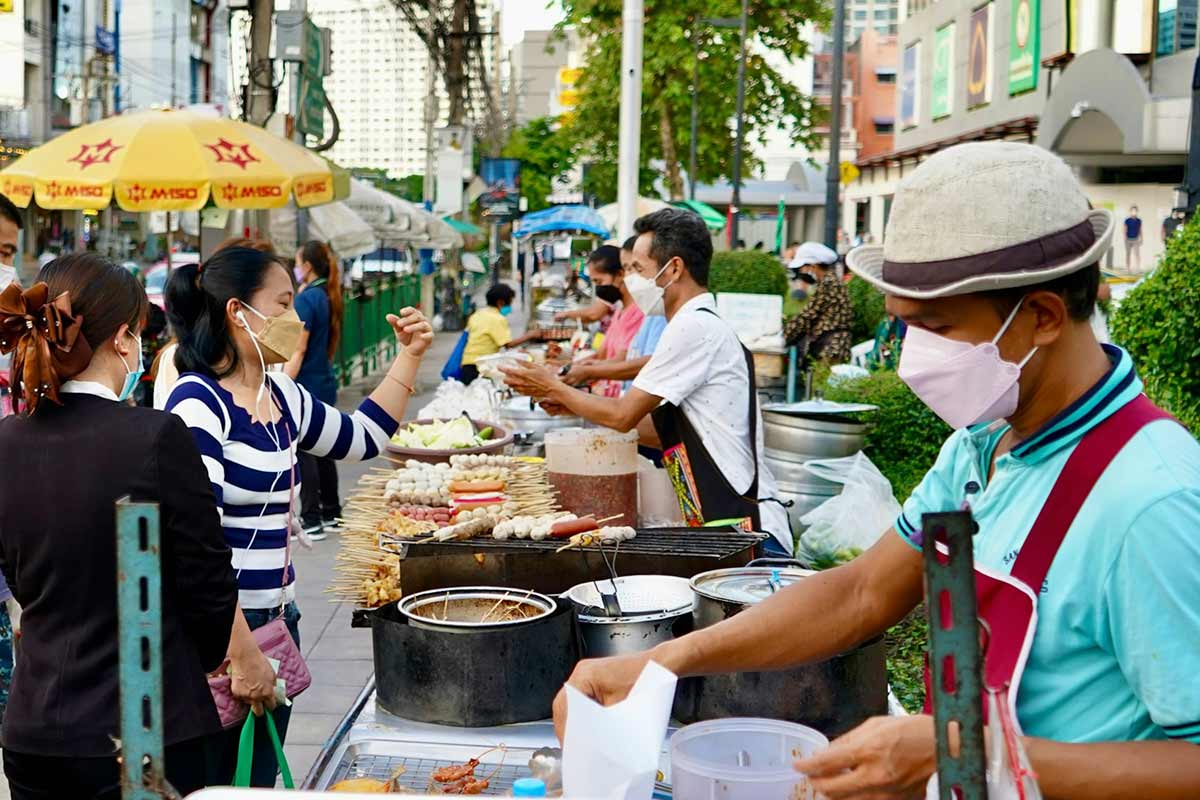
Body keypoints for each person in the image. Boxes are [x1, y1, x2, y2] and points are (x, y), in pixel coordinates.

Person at [552, 143, 1200, 799]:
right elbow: (861, 593)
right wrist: (661, 662)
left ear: (1040, 317)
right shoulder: (983, 445)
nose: (915, 356)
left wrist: (966, 752)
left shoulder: (1151, 501)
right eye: (904, 324)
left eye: (936, 326)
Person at [163, 246, 433, 787]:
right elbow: (194, 545)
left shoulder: (281, 394)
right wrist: (240, 653)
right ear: (239, 312)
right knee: (213, 788)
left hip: (277, 627)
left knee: (258, 784)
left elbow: (363, 437)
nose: (294, 317)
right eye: (283, 304)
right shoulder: (197, 403)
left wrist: (409, 356)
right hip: (219, 642)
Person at [0, 253, 238, 799]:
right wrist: (192, 658)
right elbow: (210, 585)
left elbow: (19, 573)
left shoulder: (8, 441)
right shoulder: (154, 437)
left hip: (36, 727)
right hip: (145, 726)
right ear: (123, 339)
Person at [503, 208, 793, 555]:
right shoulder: (696, 323)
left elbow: (624, 415)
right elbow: (660, 430)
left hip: (750, 534)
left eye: (638, 270)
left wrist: (553, 386)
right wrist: (567, 401)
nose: (630, 282)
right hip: (727, 526)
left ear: (673, 269)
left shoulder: (693, 327)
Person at [286, 241, 344, 540]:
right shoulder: (327, 294)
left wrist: (282, 383)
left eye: (297, 262)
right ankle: (332, 511)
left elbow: (298, 348)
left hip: (306, 382)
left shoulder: (307, 299)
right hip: (323, 379)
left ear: (306, 266)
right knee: (324, 448)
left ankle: (311, 518)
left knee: (304, 450)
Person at [783, 243, 854, 366]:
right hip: (831, 345)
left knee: (821, 383)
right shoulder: (829, 282)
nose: (801, 272)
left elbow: (808, 315)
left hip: (832, 348)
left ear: (813, 266)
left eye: (802, 268)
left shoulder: (829, 284)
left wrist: (784, 336)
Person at [460, 282, 536, 385]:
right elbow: (508, 344)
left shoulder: (478, 314)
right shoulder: (497, 319)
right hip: (480, 367)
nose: (510, 306)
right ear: (501, 302)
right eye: (510, 302)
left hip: (466, 364)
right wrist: (531, 335)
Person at [1123, 206, 1142, 272]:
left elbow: (1140, 229)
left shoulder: (1139, 220)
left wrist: (1141, 238)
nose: (1134, 212)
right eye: (1132, 211)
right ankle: (1128, 267)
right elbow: (1124, 229)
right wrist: (1125, 237)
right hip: (1128, 239)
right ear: (1130, 211)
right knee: (1128, 254)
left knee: (1137, 253)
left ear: (1137, 212)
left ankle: (1138, 267)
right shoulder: (1127, 220)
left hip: (1135, 239)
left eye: (1135, 211)